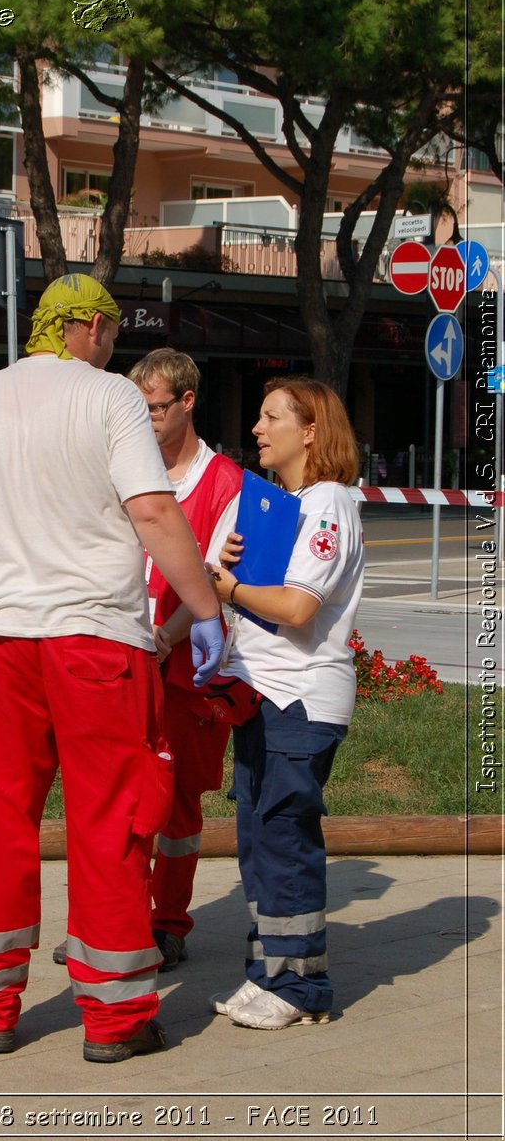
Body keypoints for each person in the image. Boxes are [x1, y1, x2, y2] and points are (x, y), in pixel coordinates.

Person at [0, 274, 224, 1063]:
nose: (112, 345)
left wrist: (10, 490)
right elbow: (151, 509)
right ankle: (115, 1021)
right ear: (85, 327)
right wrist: (207, 612)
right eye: (110, 331)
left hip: (1, 642)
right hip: (97, 643)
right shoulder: (110, 398)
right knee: (111, 819)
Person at [206, 376, 364, 1030]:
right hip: (267, 694)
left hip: (298, 700)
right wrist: (236, 571)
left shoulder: (327, 503)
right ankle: (272, 971)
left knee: (284, 838)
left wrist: (233, 589)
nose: (257, 429)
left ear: (311, 432)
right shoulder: (290, 502)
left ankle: (301, 987)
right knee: (260, 840)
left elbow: (299, 609)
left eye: (271, 417)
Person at [128, 348, 244, 970]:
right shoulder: (124, 463)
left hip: (181, 669)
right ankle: (113, 920)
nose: (144, 419)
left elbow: (215, 576)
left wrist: (169, 635)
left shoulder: (225, 481)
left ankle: (167, 922)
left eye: (155, 408)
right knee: (116, 797)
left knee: (177, 804)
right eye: (138, 407)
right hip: (123, 659)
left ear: (188, 402)